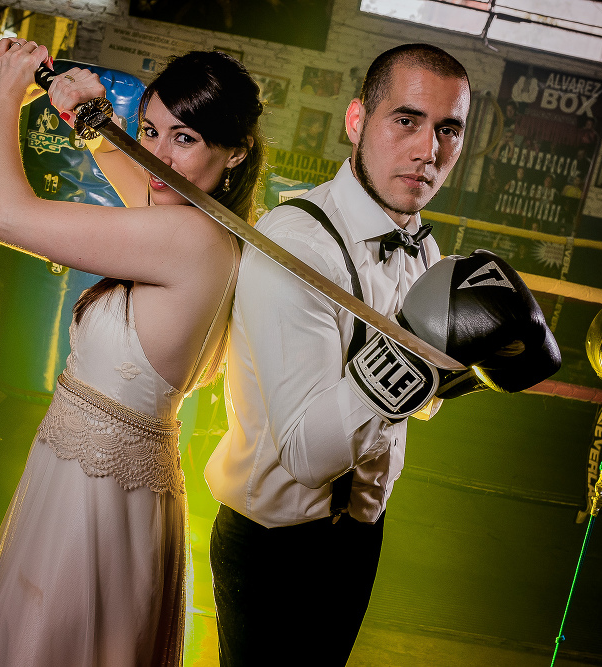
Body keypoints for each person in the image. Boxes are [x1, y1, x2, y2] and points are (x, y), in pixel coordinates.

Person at [205, 43, 557, 666]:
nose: (429, 151)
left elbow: (415, 415)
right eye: (406, 120)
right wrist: (422, 356)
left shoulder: (424, 249)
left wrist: (468, 369)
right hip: (274, 543)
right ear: (355, 121)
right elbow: (309, 455)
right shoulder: (297, 246)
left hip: (361, 533)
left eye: (449, 129)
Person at [0, 42, 264, 667]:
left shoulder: (187, 238)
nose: (158, 154)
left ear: (236, 152)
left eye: (186, 138)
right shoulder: (207, 227)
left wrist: (5, 95)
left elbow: (4, 217)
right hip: (106, 487)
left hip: (92, 503)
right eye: (151, 131)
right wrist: (97, 127)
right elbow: (143, 181)